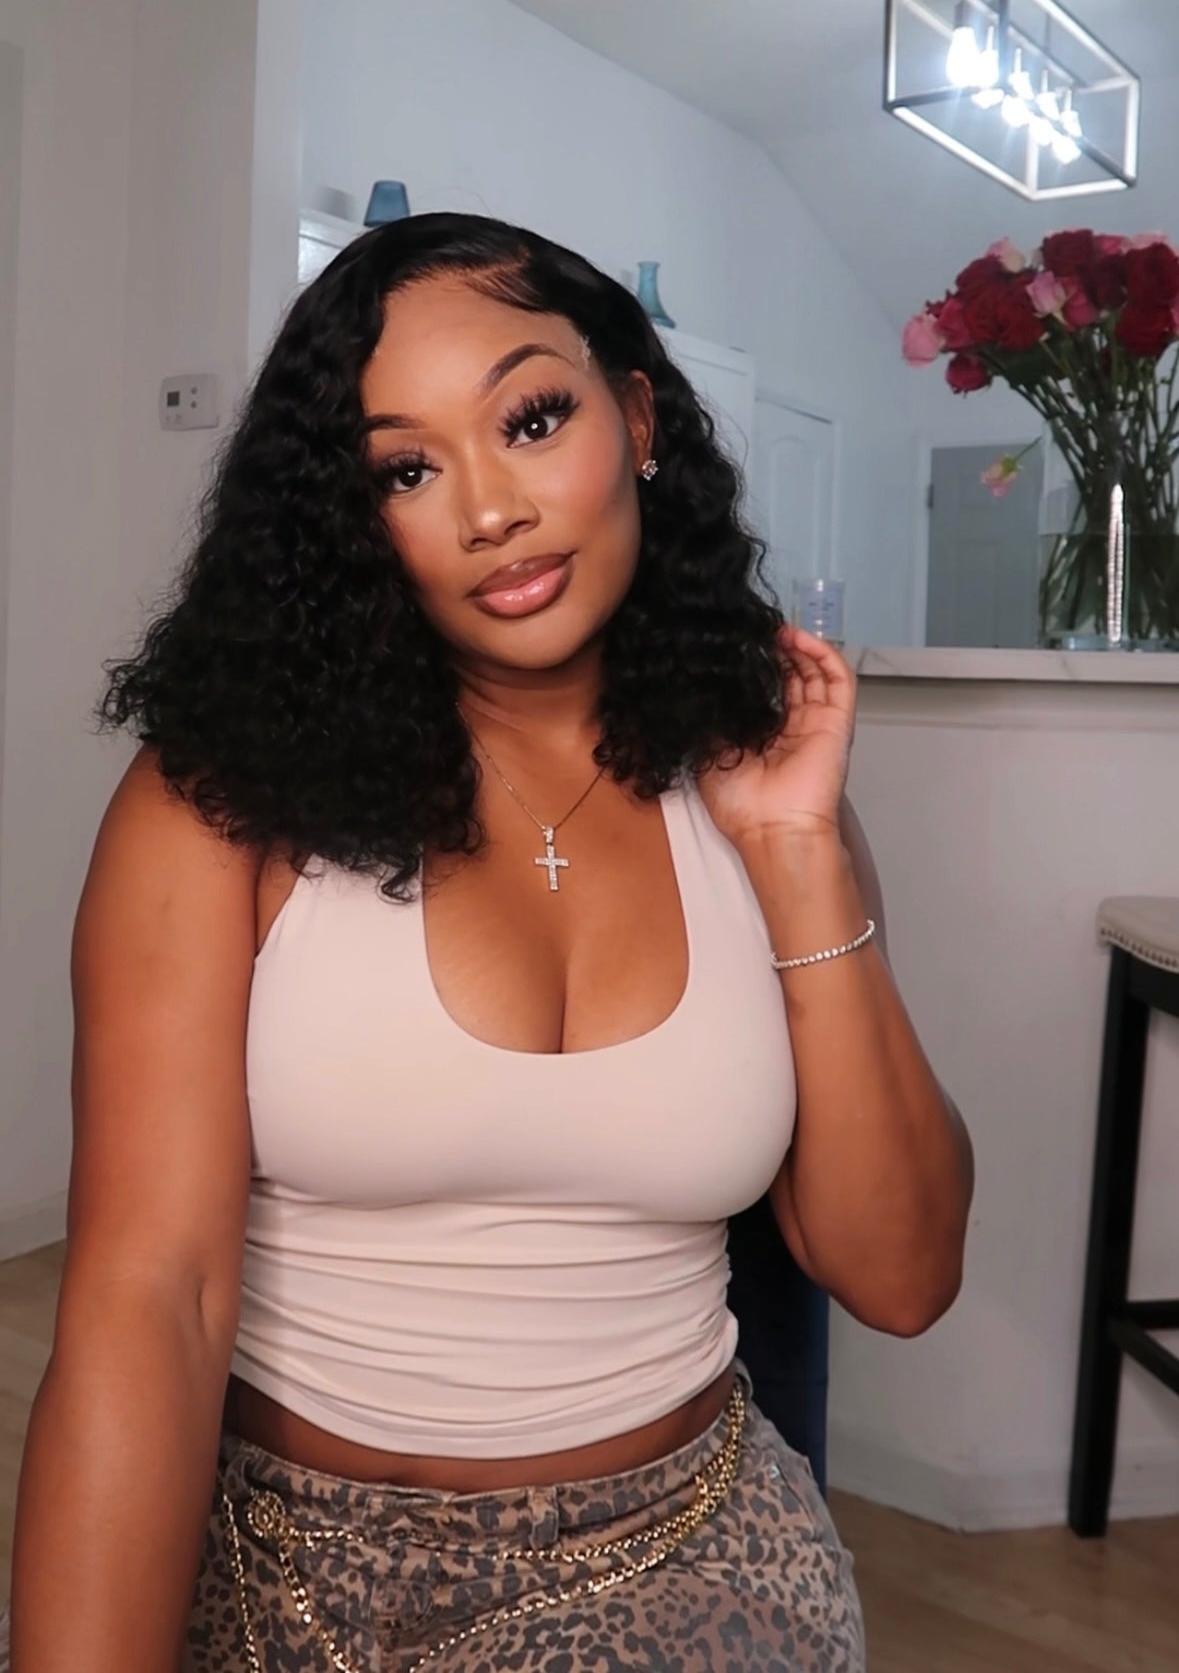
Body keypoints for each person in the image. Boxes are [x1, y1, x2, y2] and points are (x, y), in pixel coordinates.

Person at [6, 214, 973, 1672]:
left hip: (682, 1564)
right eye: (406, 469)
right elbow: (152, 1303)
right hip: (278, 1574)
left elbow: (901, 1276)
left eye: (531, 420)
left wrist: (797, 855)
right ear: (352, 519)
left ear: (637, 417)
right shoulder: (219, 802)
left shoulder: (766, 795)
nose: (489, 511)